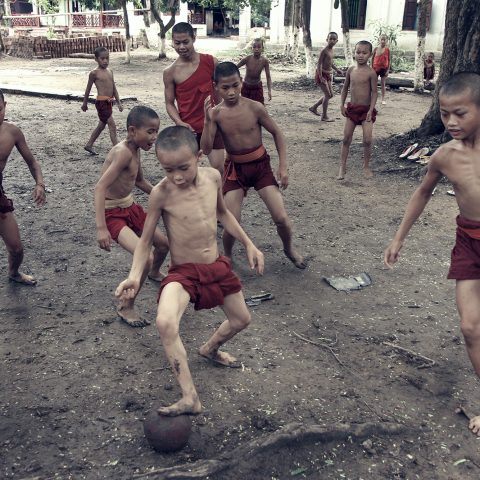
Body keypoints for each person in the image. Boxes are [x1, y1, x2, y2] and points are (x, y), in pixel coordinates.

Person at [115, 125, 264, 416]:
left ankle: (209, 349)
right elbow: (145, 242)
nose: (177, 176)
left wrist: (249, 243)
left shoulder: (213, 177)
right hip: (183, 273)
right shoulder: (160, 194)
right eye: (168, 169)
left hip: (216, 266)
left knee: (241, 320)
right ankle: (190, 397)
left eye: (183, 167)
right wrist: (134, 276)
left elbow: (222, 213)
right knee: (165, 322)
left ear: (198, 156)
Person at [384, 72, 480, 435]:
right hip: (468, 242)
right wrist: (399, 238)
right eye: (444, 114)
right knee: (471, 328)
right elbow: (423, 192)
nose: (451, 122)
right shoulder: (444, 155)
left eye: (461, 113)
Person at [201, 61, 306, 269]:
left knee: (281, 218)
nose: (231, 92)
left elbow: (277, 133)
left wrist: (283, 166)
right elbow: (205, 149)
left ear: (241, 82)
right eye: (225, 88)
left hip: (260, 167)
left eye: (235, 85)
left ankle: (288, 248)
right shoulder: (216, 114)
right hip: (235, 170)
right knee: (233, 223)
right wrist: (206, 121)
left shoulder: (255, 107)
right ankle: (228, 256)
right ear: (215, 87)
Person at [94, 106, 169, 327]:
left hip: (130, 206)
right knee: (144, 257)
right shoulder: (123, 152)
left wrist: (164, 196)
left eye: (156, 131)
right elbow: (99, 188)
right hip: (112, 214)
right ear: (132, 130)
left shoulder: (135, 149)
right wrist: (101, 228)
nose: (154, 137)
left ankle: (154, 272)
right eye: (150, 132)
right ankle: (126, 306)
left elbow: (139, 182)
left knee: (163, 245)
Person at [163, 22, 224, 172]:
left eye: (185, 42)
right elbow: (169, 103)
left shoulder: (211, 62)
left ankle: (216, 196)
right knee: (188, 170)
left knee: (218, 169)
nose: (181, 47)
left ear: (194, 39)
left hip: (211, 125)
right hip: (188, 129)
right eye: (177, 43)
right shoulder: (170, 72)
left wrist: (220, 113)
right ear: (172, 42)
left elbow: (221, 90)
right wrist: (179, 122)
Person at [0, 89, 46, 285]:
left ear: (5, 106)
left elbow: (32, 162)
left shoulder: (12, 132)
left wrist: (40, 184)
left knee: (17, 248)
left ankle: (13, 272)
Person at [338, 40, 378, 180]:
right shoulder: (351, 70)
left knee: (367, 139)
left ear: (370, 54)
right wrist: (342, 104)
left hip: (366, 110)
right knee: (346, 138)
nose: (360, 55)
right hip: (353, 109)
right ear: (354, 53)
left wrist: (371, 110)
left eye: (364, 53)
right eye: (358, 52)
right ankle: (342, 166)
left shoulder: (371, 73)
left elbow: (374, 93)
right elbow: (344, 88)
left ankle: (366, 166)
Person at [81, 46, 123, 156]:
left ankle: (89, 145)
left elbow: (114, 88)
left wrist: (119, 102)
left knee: (101, 125)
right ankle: (117, 150)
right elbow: (88, 89)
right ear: (96, 59)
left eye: (107, 58)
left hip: (109, 103)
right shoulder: (94, 73)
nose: (105, 61)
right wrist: (84, 103)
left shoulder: (110, 71)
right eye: (102, 58)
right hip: (101, 103)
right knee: (112, 125)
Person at [309, 32, 343, 121]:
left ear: (337, 41)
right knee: (327, 95)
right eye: (330, 39)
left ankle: (314, 107)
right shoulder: (324, 50)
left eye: (334, 39)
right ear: (327, 40)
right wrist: (321, 77)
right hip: (322, 74)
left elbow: (330, 62)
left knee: (330, 95)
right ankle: (324, 116)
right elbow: (319, 64)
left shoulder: (332, 50)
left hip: (328, 74)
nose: (332, 41)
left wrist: (337, 70)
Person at [236, 38, 272, 105]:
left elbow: (268, 77)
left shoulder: (264, 61)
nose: (256, 49)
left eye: (259, 47)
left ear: (262, 48)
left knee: (259, 107)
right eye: (254, 47)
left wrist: (269, 91)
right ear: (251, 48)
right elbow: (235, 68)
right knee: (245, 107)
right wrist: (237, 80)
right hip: (246, 86)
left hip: (257, 87)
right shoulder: (247, 59)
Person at [372, 34, 391, 105]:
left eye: (384, 40)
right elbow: (372, 58)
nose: (383, 41)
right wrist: (372, 68)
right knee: (374, 83)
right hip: (375, 68)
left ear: (387, 41)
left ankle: (383, 99)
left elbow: (389, 60)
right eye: (381, 39)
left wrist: (388, 70)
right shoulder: (376, 49)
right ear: (379, 40)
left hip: (384, 69)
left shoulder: (387, 50)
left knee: (383, 84)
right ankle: (373, 97)